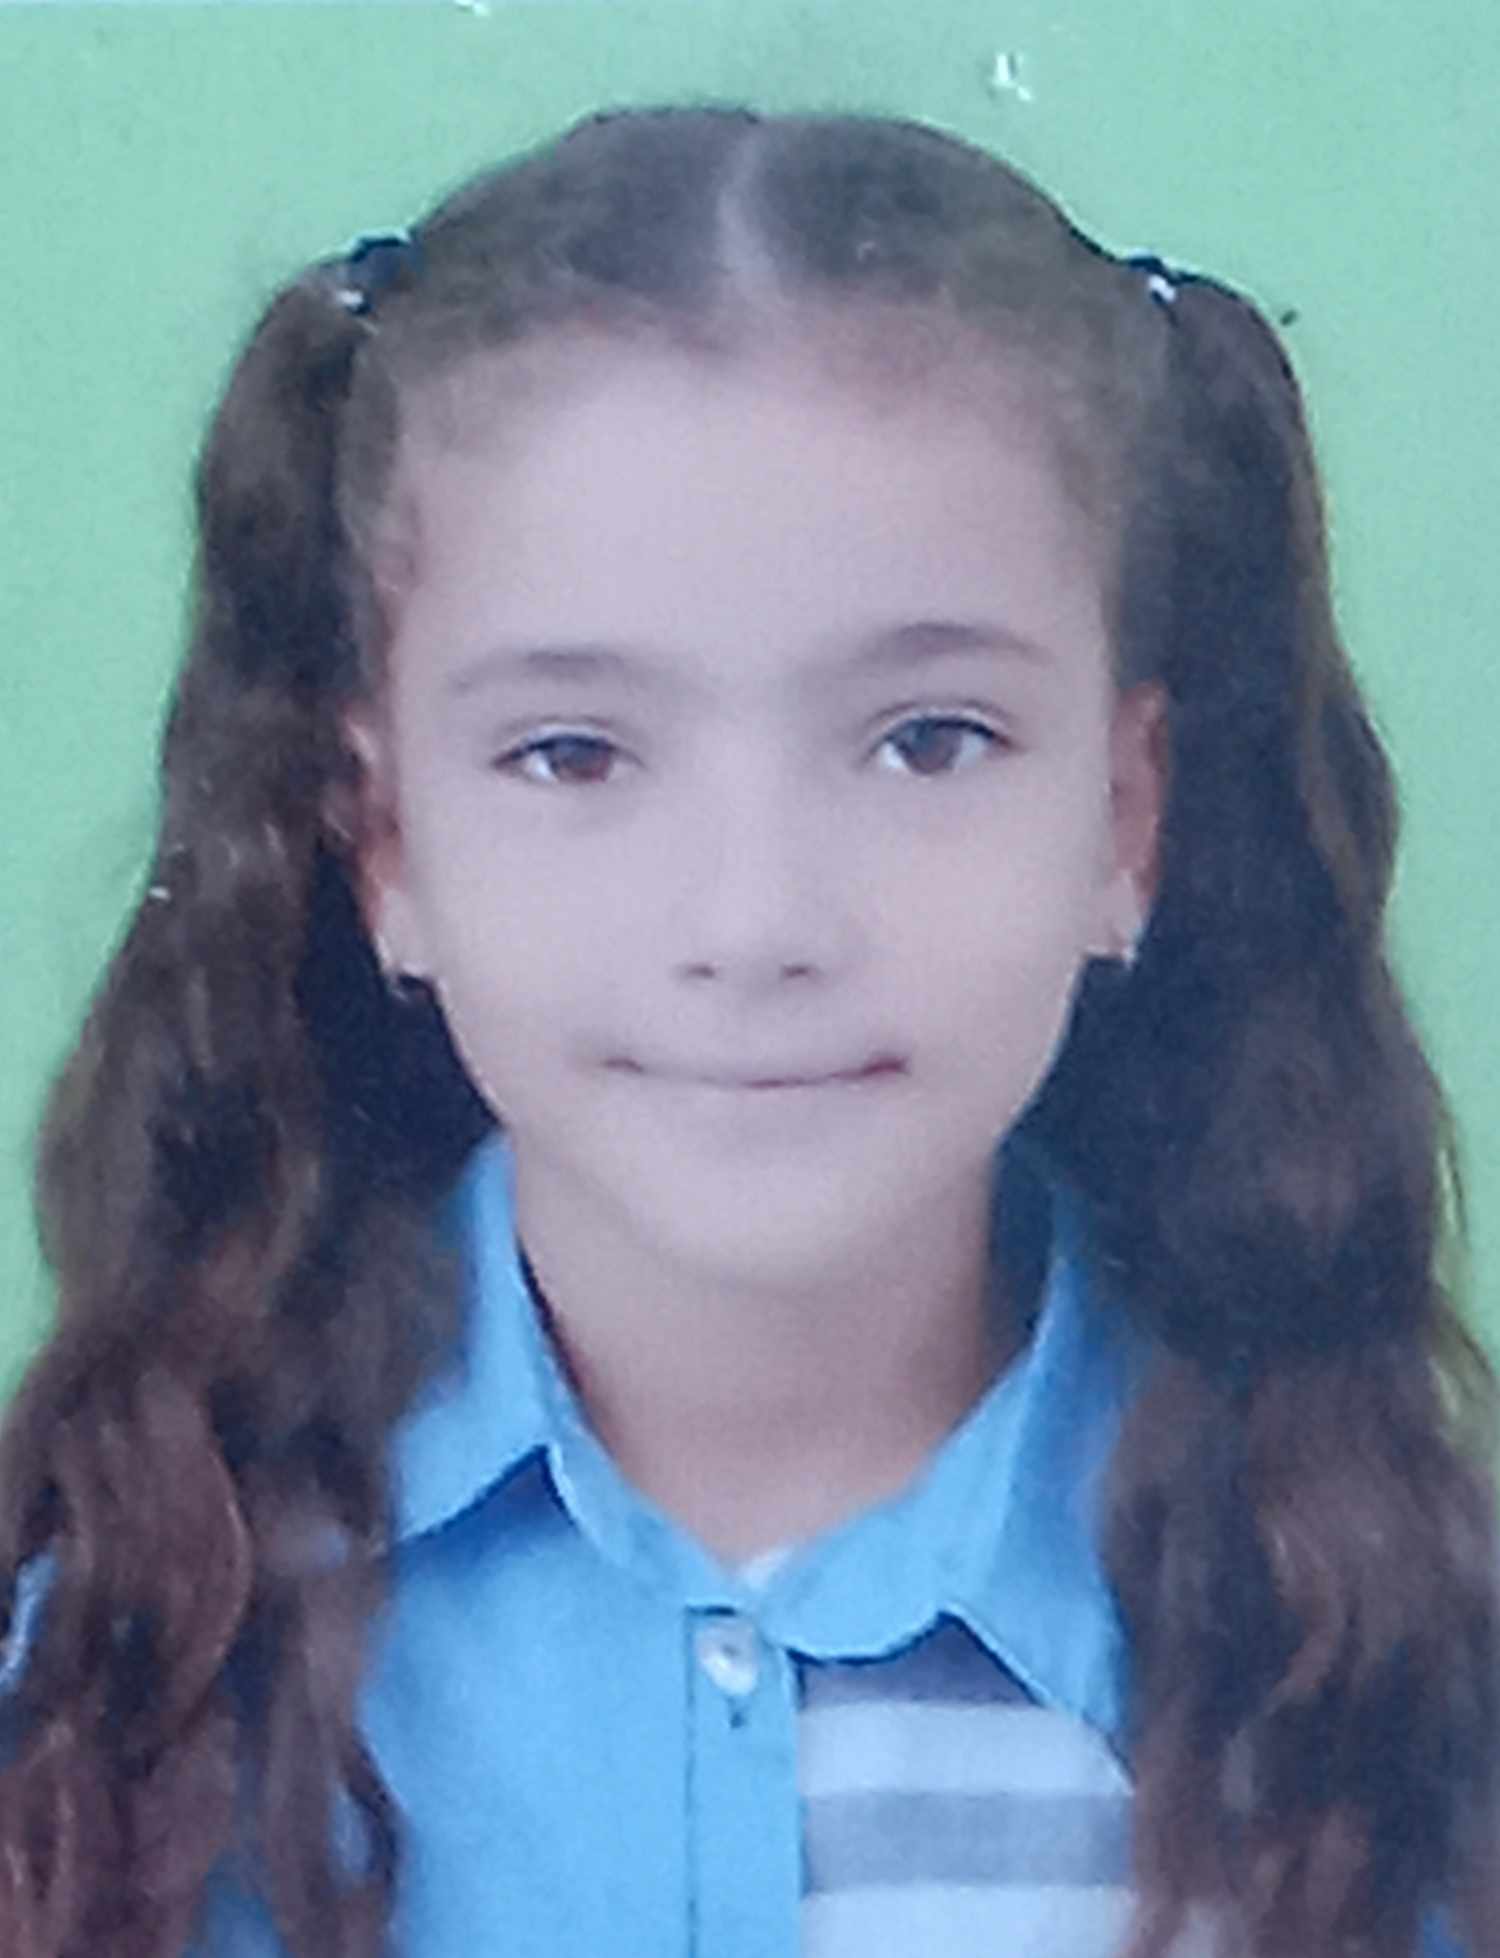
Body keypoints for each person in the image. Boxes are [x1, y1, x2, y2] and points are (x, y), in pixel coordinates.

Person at [0, 101, 1493, 1958]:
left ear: (1125, 820)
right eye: (574, 753)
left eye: (928, 739)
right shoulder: (119, 1675)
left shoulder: (1391, 1688)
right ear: (382, 844)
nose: (756, 921)